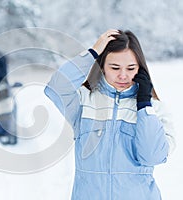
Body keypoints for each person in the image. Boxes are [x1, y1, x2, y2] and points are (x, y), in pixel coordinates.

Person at [44, 29, 175, 200]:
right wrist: (92, 53)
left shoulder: (154, 110)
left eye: (131, 68)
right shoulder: (85, 102)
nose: (123, 75)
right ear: (102, 66)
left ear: (140, 69)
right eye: (114, 67)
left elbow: (153, 156)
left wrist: (144, 105)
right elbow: (56, 88)